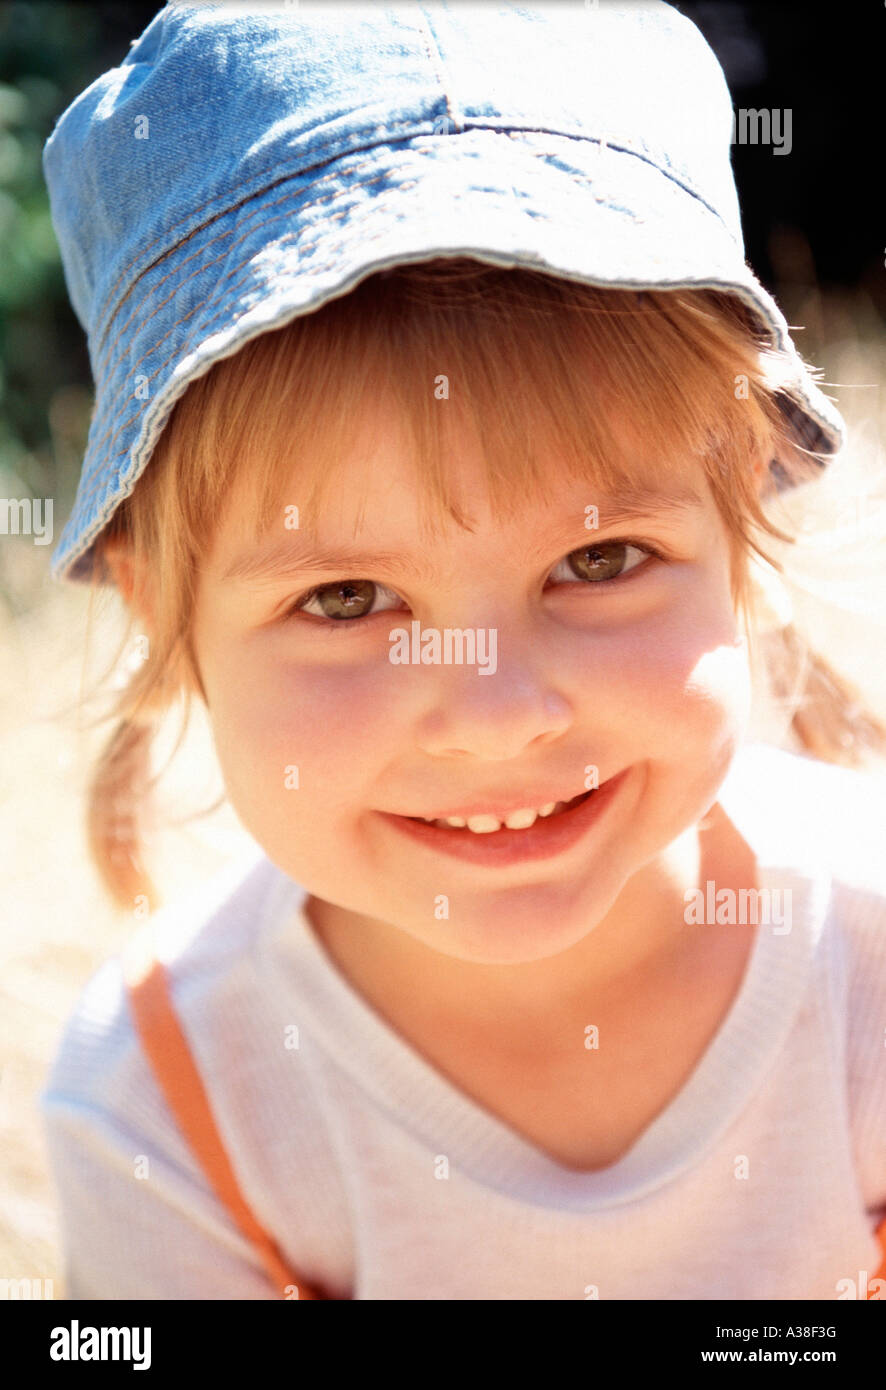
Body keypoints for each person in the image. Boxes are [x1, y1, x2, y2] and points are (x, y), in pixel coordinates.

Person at [38, 0, 886, 1300]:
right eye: (345, 596)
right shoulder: (166, 1105)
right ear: (164, 614)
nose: (495, 715)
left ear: (740, 531)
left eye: (596, 561)